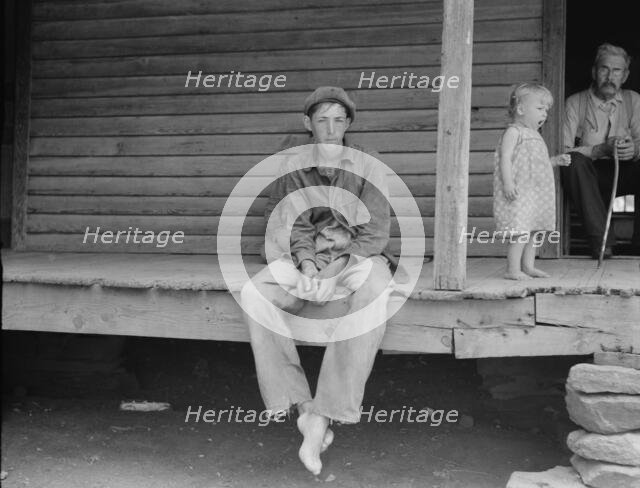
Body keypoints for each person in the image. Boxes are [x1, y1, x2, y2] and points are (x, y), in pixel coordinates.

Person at [240, 87, 396, 475]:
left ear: (348, 125)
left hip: (357, 255)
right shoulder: (293, 166)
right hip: (304, 257)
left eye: (339, 120)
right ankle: (303, 408)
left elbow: (375, 232)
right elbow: (294, 224)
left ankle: (328, 410)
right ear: (307, 124)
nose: (331, 129)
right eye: (322, 120)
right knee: (255, 293)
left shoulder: (370, 165)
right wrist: (308, 267)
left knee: (376, 291)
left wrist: (338, 269)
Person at [563, 43, 640, 258]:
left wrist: (634, 149)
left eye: (617, 71)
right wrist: (599, 149)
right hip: (591, 175)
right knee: (573, 162)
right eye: (604, 69)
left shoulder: (634, 100)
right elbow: (563, 151)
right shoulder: (574, 103)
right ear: (594, 72)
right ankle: (602, 242)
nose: (610, 76)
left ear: (624, 76)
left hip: (625, 172)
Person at [494, 83, 571, 280]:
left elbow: (538, 164)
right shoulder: (514, 132)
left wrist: (554, 161)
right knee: (520, 231)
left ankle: (528, 266)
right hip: (520, 191)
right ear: (520, 109)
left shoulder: (535, 135)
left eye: (546, 110)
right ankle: (512, 270)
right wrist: (508, 183)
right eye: (539, 108)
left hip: (535, 193)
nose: (544, 114)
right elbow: (505, 158)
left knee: (533, 231)